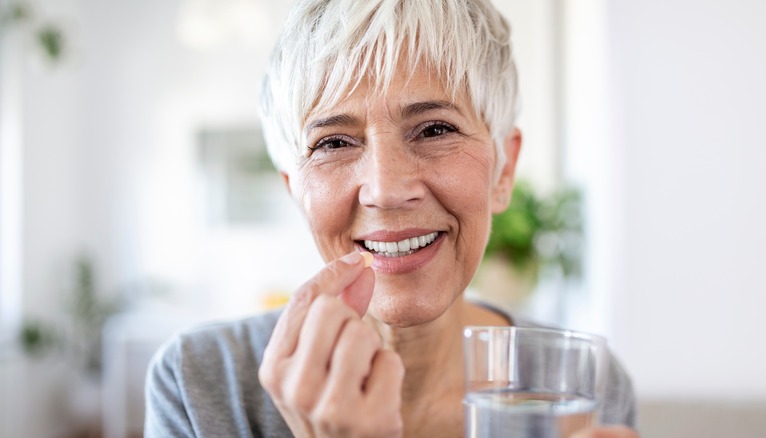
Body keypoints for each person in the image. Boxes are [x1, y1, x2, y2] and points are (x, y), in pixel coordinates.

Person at [144, 0, 638, 436]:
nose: (385, 190)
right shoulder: (197, 384)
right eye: (333, 143)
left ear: (503, 171)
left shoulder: (580, 385)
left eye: (435, 129)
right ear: (296, 190)